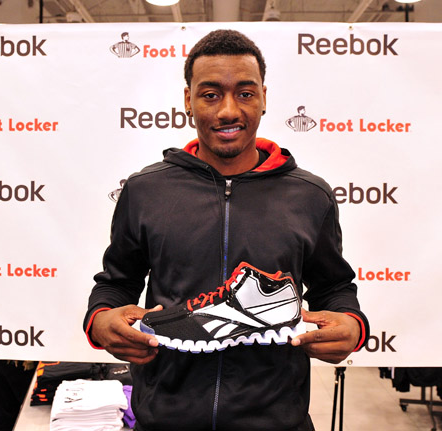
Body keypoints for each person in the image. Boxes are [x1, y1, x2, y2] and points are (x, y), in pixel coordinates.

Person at [84, 29, 369, 431]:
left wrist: (352, 324)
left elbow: (335, 287)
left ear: (264, 98)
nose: (228, 111)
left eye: (245, 93)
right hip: (165, 419)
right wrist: (101, 320)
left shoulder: (310, 195)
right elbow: (117, 283)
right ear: (188, 100)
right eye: (211, 94)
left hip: (277, 421)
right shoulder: (146, 189)